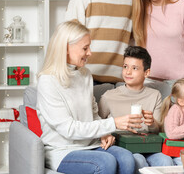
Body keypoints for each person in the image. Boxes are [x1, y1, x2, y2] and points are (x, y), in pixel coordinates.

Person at [36, 20, 144, 174]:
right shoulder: (47, 81)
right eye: (85, 48)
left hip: (91, 145)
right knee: (105, 162)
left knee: (126, 158)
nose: (90, 53)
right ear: (66, 48)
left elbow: (93, 114)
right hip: (62, 150)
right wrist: (113, 124)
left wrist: (104, 133)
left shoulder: (85, 74)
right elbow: (68, 129)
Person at [65, 0, 141, 84]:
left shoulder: (133, 0)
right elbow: (70, 35)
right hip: (84, 77)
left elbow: (133, 41)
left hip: (118, 80)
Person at [98, 46, 174, 171]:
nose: (128, 72)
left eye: (134, 68)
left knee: (165, 160)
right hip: (124, 147)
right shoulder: (109, 96)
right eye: (125, 66)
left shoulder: (155, 95)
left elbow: (158, 129)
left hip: (148, 146)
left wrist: (152, 123)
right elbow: (97, 125)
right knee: (138, 159)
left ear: (146, 72)